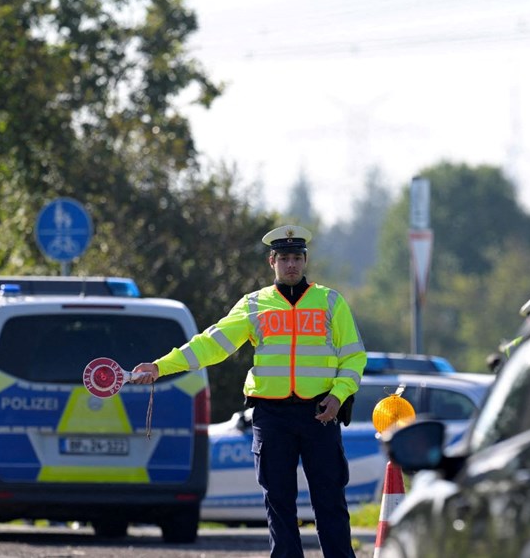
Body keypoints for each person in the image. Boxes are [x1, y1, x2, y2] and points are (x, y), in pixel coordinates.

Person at [131, 225, 366, 558]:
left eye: (297, 258)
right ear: (272, 261)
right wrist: (160, 366)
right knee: (278, 502)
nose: (291, 265)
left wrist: (339, 394)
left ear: (305, 260)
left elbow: (354, 356)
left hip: (320, 413)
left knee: (329, 501)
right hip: (272, 416)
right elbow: (212, 343)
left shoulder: (330, 301)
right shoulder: (254, 304)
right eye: (284, 258)